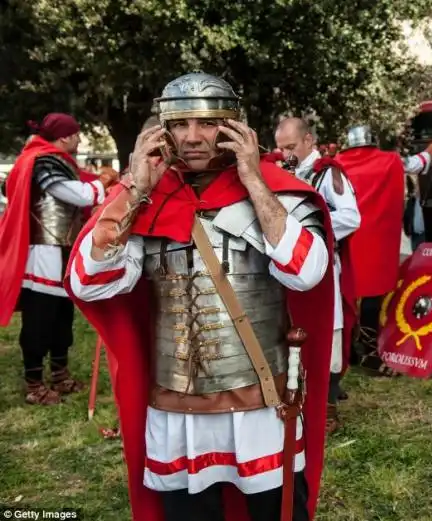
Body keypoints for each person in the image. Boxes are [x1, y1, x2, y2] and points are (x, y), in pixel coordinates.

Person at [65, 73, 335, 521]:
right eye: (181, 123)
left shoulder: (277, 192)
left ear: (232, 127)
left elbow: (307, 274)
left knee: (277, 511)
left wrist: (253, 180)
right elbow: (87, 282)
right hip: (175, 408)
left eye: (207, 124)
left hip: (260, 405)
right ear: (164, 130)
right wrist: (133, 189)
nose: (192, 137)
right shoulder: (146, 198)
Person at [0, 112, 117, 405]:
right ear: (65, 136)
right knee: (41, 315)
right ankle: (34, 383)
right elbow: (77, 195)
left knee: (62, 314)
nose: (78, 139)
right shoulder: (42, 161)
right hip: (43, 251)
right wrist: (103, 181)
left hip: (62, 247)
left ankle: (60, 376)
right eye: (76, 134)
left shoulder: (53, 160)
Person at [275, 117, 360, 434]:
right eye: (281, 148)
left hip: (321, 264)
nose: (286, 154)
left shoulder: (329, 173)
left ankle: (328, 408)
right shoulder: (289, 172)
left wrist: (307, 234)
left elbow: (351, 217)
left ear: (309, 140)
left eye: (291, 147)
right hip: (290, 266)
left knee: (329, 330)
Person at [335, 125, 405, 375]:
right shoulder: (390, 161)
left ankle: (350, 352)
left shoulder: (336, 164)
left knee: (346, 296)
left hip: (346, 239)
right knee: (372, 296)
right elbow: (418, 163)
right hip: (376, 240)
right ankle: (368, 353)